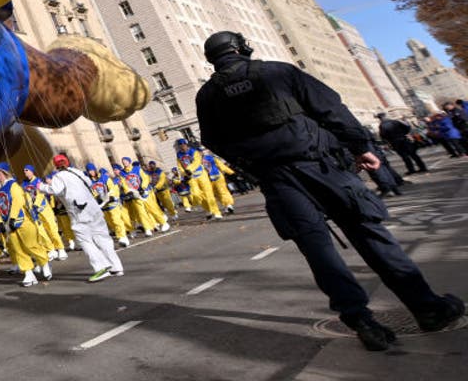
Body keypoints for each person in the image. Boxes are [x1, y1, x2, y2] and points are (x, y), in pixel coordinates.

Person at [195, 30, 464, 351]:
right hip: (322, 167)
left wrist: (252, 165)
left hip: (276, 179)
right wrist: (361, 147)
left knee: (317, 249)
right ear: (242, 48)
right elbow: (330, 107)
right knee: (369, 233)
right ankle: (427, 308)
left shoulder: (208, 96)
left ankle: (359, 320)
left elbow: (213, 140)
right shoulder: (278, 72)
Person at [35, 155, 124, 281]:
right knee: (103, 237)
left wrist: (41, 186)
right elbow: (89, 184)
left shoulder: (59, 176)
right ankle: (116, 267)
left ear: (56, 165)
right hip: (94, 208)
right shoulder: (78, 172)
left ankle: (101, 268)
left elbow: (56, 190)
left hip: (79, 211)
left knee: (84, 240)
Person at [0, 163, 52, 286]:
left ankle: (44, 263)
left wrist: (12, 218)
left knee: (31, 245)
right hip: (8, 225)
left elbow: (18, 201)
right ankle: (28, 273)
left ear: (5, 172)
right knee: (18, 249)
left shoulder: (13, 186)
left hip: (22, 221)